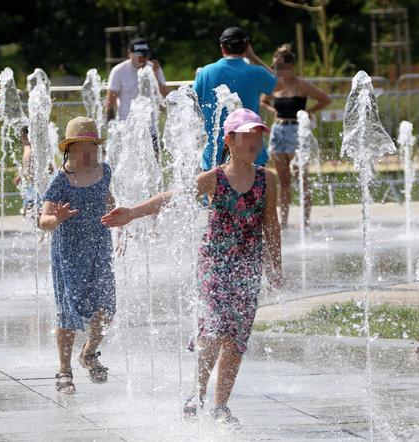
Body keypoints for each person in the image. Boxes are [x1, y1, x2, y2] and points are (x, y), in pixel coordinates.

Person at [102, 109, 284, 426]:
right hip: (214, 264)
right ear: (229, 140)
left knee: (236, 337)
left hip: (248, 267)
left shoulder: (268, 179)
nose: (253, 141)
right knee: (213, 329)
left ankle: (220, 405)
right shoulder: (214, 178)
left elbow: (272, 223)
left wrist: (276, 266)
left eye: (257, 134)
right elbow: (172, 197)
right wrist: (132, 212)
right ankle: (197, 393)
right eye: (246, 135)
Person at [38, 117, 117, 394]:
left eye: (92, 147)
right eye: (82, 148)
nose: (89, 154)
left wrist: (117, 215)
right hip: (69, 253)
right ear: (69, 149)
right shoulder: (60, 180)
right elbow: (43, 220)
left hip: (99, 248)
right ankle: (64, 370)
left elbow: (108, 200)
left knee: (107, 308)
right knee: (69, 313)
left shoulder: (104, 171)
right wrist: (55, 218)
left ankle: (89, 353)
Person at [261, 44, 331, 228]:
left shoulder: (301, 84)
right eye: (274, 66)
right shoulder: (274, 85)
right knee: (283, 181)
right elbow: (263, 101)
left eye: (279, 66)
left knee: (301, 178)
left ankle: (306, 222)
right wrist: (272, 110)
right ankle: (283, 222)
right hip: (278, 130)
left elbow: (325, 99)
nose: (276, 70)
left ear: (290, 66)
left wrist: (309, 111)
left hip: (296, 131)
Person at [193, 27, 277, 170]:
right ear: (246, 47)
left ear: (222, 47)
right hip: (251, 150)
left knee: (214, 191)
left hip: (214, 151)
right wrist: (254, 57)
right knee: (253, 191)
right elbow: (281, 83)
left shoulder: (205, 72)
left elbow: (193, 105)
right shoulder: (257, 72)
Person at [105, 37, 169, 122]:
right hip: (126, 124)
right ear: (129, 53)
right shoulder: (118, 71)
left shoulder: (154, 69)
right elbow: (110, 102)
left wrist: (155, 78)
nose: (143, 59)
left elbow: (165, 97)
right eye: (139, 55)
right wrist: (110, 127)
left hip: (150, 124)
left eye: (145, 55)